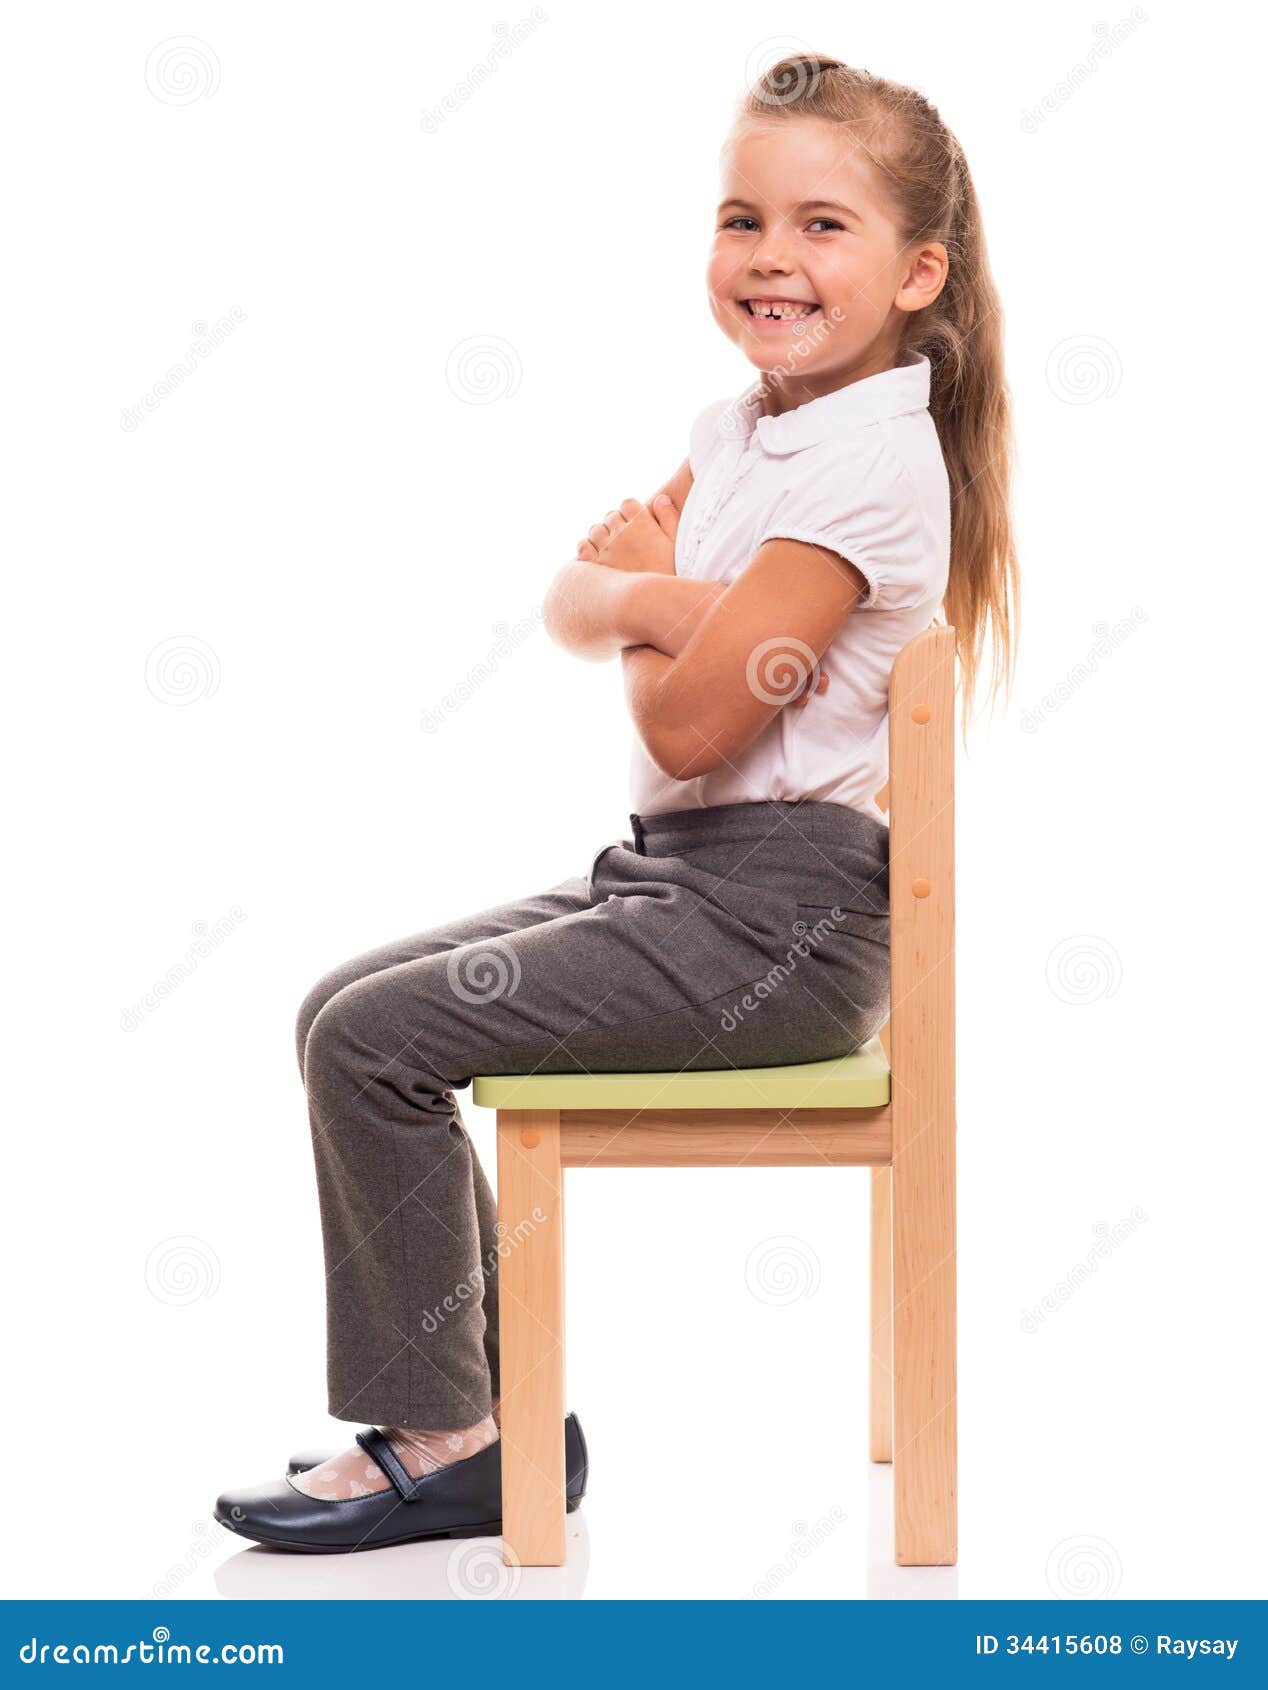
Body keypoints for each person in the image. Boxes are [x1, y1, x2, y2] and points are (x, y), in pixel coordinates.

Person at [215, 52, 1018, 1554]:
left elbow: (688, 708)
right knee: (344, 1009)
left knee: (379, 1041)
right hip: (679, 883)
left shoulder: (869, 468)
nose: (772, 256)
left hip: (776, 923)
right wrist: (670, 596)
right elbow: (570, 599)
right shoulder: (742, 431)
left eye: (823, 226)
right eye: (742, 216)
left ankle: (448, 1433)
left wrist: (650, 599)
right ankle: (482, 1413)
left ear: (920, 274)